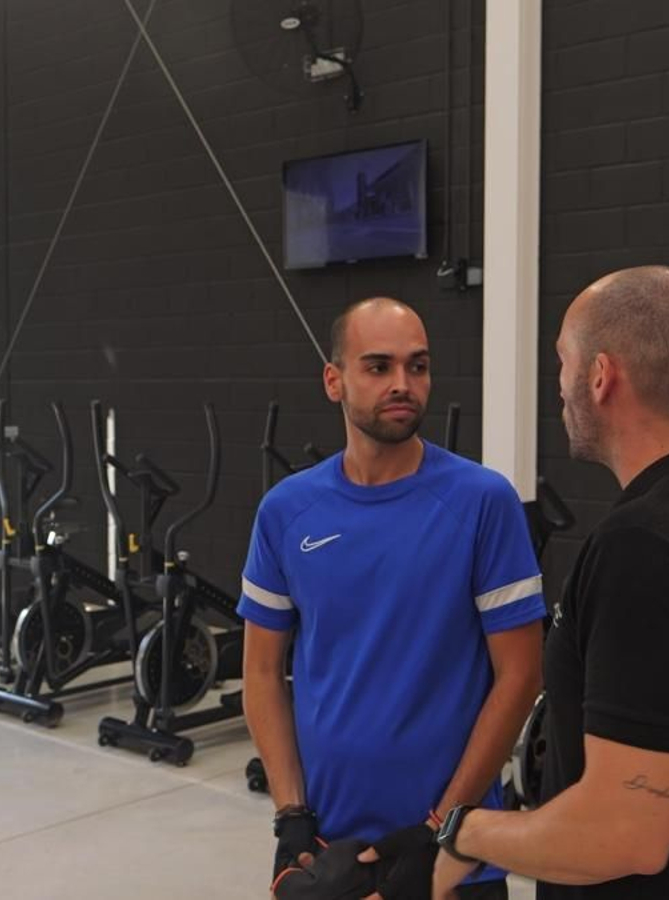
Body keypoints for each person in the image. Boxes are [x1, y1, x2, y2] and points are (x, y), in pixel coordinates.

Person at [425, 266, 669, 899]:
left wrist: (463, 836)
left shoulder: (645, 549)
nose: (559, 388)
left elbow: (623, 833)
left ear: (602, 376)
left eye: (562, 362)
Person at [239, 297, 546, 900]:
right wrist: (289, 813)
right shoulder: (286, 511)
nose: (403, 384)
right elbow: (261, 669)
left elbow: (520, 675)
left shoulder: (484, 502)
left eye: (418, 366)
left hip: (456, 855)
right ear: (335, 380)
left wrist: (441, 829)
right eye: (378, 367)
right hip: (330, 851)